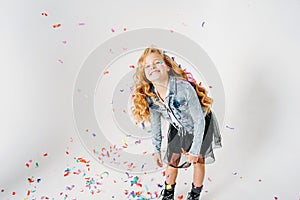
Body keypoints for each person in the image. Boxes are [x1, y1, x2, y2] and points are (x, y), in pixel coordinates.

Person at [131, 47, 220, 200]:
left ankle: (194, 194)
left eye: (157, 62)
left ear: (166, 66)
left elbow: (199, 120)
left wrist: (194, 149)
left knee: (198, 160)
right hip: (178, 127)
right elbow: (156, 126)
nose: (152, 67)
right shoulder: (151, 96)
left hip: (200, 125)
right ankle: (168, 193)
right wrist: (157, 149)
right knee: (172, 161)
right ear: (145, 75)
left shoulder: (183, 88)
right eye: (147, 66)